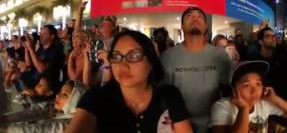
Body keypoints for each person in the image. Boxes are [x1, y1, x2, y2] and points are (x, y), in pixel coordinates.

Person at [65, 30, 193, 133]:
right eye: (116, 56)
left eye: (134, 55)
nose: (123, 65)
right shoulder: (96, 98)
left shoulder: (169, 96)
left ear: (151, 62)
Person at [161, 7, 231, 133]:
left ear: (206, 26)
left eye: (199, 16)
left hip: (214, 126)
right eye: (189, 16)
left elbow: (227, 91)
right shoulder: (167, 57)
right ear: (181, 26)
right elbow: (163, 95)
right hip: (179, 126)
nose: (195, 18)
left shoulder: (220, 56)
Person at [210, 61, 287, 133]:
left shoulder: (263, 102)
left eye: (258, 84)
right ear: (234, 89)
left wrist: (275, 99)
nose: (254, 91)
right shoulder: (222, 106)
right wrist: (244, 108)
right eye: (246, 85)